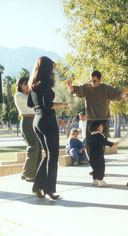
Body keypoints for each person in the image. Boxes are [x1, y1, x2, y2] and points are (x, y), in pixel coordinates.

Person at [27, 56, 68, 200]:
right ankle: (49, 189)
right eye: (51, 68)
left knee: (48, 154)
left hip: (37, 121)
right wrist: (61, 104)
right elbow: (48, 105)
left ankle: (37, 187)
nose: (52, 72)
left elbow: (30, 104)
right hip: (47, 121)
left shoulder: (33, 85)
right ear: (46, 69)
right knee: (53, 155)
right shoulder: (44, 84)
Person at [65, 71, 128, 152]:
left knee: (102, 144)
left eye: (94, 81)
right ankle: (91, 160)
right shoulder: (87, 87)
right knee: (88, 143)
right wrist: (70, 86)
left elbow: (117, 95)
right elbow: (76, 90)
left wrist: (123, 94)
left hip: (103, 119)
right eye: (91, 80)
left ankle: (100, 160)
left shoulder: (106, 88)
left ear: (100, 79)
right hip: (91, 119)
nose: (92, 83)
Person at [14, 76, 41, 182]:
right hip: (26, 121)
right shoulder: (18, 95)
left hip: (34, 121)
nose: (27, 86)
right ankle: (28, 173)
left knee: (38, 147)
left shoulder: (29, 94)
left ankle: (34, 172)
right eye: (26, 84)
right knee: (33, 146)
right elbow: (32, 101)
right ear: (20, 85)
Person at [88, 120, 118, 187]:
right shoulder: (99, 135)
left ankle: (95, 180)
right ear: (97, 127)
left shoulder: (91, 135)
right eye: (101, 126)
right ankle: (100, 180)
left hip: (92, 155)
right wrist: (112, 144)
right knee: (101, 167)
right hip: (98, 155)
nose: (102, 127)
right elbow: (104, 142)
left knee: (95, 168)